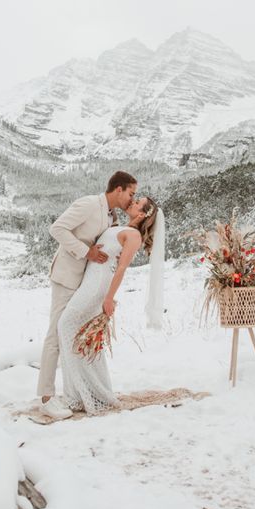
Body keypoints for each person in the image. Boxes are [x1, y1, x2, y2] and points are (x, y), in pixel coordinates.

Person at [32, 171, 138, 419]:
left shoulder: (111, 216)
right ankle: (47, 397)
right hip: (67, 275)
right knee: (55, 334)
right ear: (118, 189)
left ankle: (79, 391)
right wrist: (85, 252)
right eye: (131, 194)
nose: (131, 199)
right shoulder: (90, 204)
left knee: (73, 334)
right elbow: (57, 228)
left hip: (84, 282)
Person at [57, 196, 162, 415]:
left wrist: (108, 298)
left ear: (142, 215)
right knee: (80, 336)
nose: (132, 202)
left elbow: (121, 268)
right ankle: (83, 393)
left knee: (65, 325)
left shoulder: (133, 236)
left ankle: (86, 393)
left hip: (98, 286)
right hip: (89, 279)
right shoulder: (120, 227)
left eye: (137, 203)